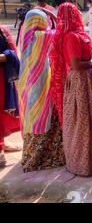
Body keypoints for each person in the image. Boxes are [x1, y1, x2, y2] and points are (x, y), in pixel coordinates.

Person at [51, 2, 92, 176]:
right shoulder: (71, 37)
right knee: (82, 121)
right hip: (80, 81)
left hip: (86, 80)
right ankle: (82, 164)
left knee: (89, 120)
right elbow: (76, 65)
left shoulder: (78, 34)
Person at [18, 9, 65, 172]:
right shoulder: (40, 37)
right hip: (42, 90)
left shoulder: (25, 37)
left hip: (30, 89)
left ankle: (30, 158)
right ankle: (42, 158)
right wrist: (54, 16)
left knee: (35, 121)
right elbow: (61, 31)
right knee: (43, 121)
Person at [0, 25, 21, 168]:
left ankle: (1, 144)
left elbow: (13, 50)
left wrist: (6, 55)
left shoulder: (2, 31)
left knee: (2, 110)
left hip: (3, 78)